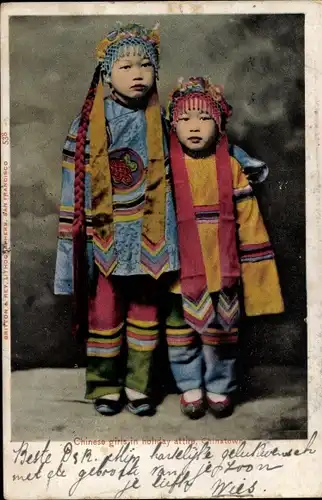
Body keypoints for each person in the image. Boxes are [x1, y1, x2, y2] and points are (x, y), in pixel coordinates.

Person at [54, 23, 180, 417]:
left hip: (150, 236)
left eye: (146, 65)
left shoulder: (163, 122)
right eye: (126, 67)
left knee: (145, 312)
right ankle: (106, 386)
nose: (138, 73)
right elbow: (72, 184)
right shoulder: (89, 123)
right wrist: (77, 239)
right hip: (105, 236)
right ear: (107, 75)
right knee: (104, 315)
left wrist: (241, 164)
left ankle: (138, 386)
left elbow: (199, 157)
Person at [165, 76, 284, 419]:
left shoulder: (231, 167)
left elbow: (248, 218)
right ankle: (188, 384)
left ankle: (219, 386)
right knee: (180, 332)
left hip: (222, 265)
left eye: (204, 118)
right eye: (185, 119)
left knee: (222, 333)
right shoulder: (169, 168)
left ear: (218, 125)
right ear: (173, 126)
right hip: (180, 271)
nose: (194, 127)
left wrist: (251, 261)